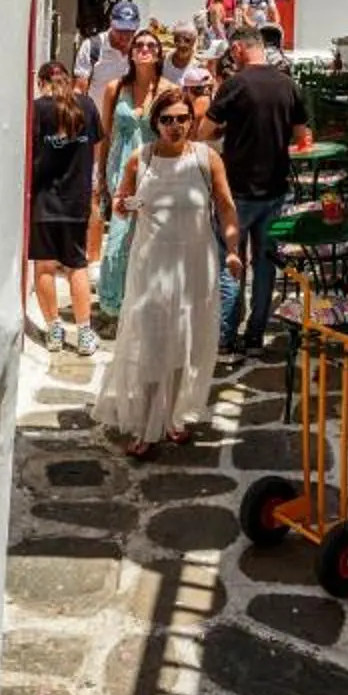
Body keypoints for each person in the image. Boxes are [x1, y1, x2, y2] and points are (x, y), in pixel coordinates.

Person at [98, 86, 242, 457]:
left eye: (182, 119)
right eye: (167, 119)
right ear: (155, 123)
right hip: (151, 266)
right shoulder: (139, 159)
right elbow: (118, 205)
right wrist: (124, 205)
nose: (175, 126)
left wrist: (233, 249)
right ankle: (148, 423)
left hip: (195, 265)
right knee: (151, 344)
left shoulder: (206, 159)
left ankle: (174, 417)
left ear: (192, 121)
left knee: (183, 343)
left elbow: (225, 208)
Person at [207, 28, 308, 356]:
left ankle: (226, 335)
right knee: (265, 265)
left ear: (238, 48)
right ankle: (255, 335)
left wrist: (229, 129)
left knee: (230, 261)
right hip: (276, 190)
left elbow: (204, 130)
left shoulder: (235, 85)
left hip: (236, 191)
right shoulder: (289, 86)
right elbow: (301, 136)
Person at [94, 29, 169, 324]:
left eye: (151, 45)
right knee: (118, 242)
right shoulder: (115, 88)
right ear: (131, 53)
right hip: (121, 175)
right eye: (139, 45)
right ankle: (114, 306)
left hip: (156, 175)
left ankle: (148, 306)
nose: (145, 49)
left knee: (151, 242)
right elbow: (105, 134)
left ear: (159, 53)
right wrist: (100, 175)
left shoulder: (169, 90)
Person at [27, 63, 97, 355]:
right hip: (76, 200)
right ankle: (83, 334)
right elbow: (94, 145)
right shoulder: (87, 105)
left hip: (45, 200)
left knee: (44, 265)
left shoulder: (38, 109)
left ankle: (54, 329)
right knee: (76, 266)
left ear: (42, 82)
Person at [74, 0, 144, 103]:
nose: (124, 36)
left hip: (128, 117)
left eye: (130, 30)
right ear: (111, 23)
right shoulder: (92, 47)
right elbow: (79, 89)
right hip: (97, 117)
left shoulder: (140, 49)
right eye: (120, 29)